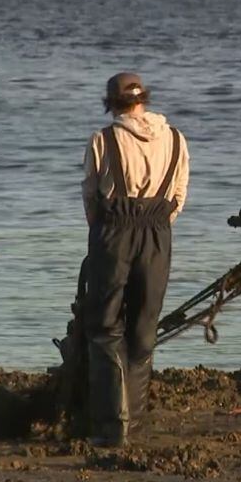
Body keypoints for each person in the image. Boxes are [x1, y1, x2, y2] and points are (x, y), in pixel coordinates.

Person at [81, 72, 190, 447]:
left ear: (111, 103)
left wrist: (104, 232)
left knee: (105, 324)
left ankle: (114, 424)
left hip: (114, 232)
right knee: (145, 326)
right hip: (158, 233)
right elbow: (178, 196)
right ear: (146, 99)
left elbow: (91, 196)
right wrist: (156, 223)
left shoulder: (102, 139)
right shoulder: (176, 139)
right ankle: (136, 423)